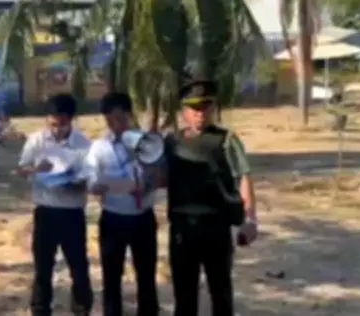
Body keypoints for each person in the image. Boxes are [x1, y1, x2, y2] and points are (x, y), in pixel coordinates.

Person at [162, 78, 258, 316]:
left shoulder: (226, 140)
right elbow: (160, 179)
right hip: (182, 230)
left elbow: (243, 177)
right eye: (194, 108)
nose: (200, 113)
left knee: (221, 292)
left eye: (206, 107)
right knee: (184, 296)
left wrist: (250, 220)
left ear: (214, 108)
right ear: (183, 111)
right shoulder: (171, 143)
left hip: (216, 228)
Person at [17, 93, 93, 316]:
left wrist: (78, 182)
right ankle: (40, 309)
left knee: (78, 266)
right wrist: (35, 169)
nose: (57, 130)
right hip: (46, 211)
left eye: (62, 124)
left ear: (71, 120)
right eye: (53, 125)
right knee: (43, 266)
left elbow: (91, 176)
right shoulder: (37, 140)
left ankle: (81, 309)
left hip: (72, 212)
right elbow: (22, 168)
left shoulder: (84, 144)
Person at [84, 92, 158, 316]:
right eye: (108, 120)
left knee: (146, 275)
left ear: (128, 114)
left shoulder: (147, 142)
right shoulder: (99, 147)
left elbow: (159, 174)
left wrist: (147, 184)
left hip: (143, 217)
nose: (114, 124)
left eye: (118, 118)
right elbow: (90, 178)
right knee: (111, 276)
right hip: (113, 218)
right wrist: (97, 186)